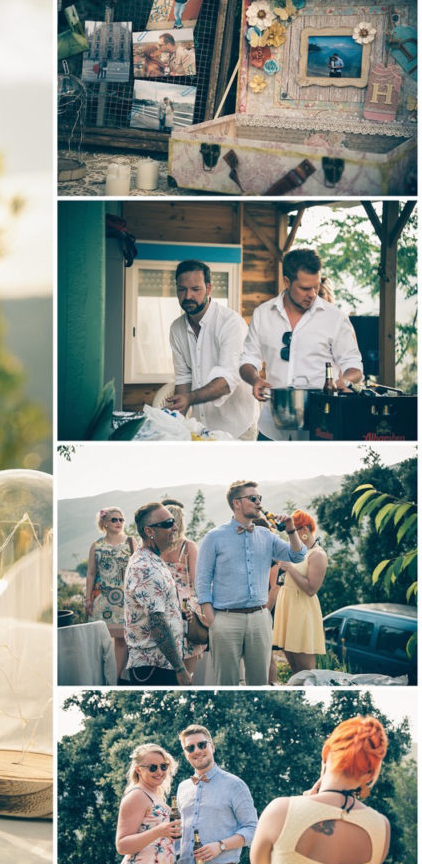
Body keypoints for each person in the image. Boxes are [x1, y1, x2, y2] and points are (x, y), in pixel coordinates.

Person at [251, 716, 390, 864]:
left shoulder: (281, 810)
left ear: (326, 753)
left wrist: (305, 804)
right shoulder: (382, 828)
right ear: (370, 773)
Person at [240, 248, 364, 441]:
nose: (313, 294)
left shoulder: (335, 318)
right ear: (287, 281)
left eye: (315, 286)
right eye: (305, 288)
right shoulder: (262, 314)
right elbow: (248, 359)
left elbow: (354, 365)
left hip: (321, 428)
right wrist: (254, 379)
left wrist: (345, 381)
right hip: (271, 429)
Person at [195, 481, 305, 685]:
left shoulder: (266, 535)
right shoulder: (214, 537)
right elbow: (202, 581)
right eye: (253, 498)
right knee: (226, 682)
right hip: (225, 619)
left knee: (260, 682)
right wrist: (212, 620)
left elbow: (296, 556)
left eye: (259, 498)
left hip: (260, 618)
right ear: (237, 503)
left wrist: (291, 530)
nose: (258, 502)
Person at [176, 724, 258, 864]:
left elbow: (252, 829)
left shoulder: (234, 785)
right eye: (190, 748)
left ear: (212, 747)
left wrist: (220, 846)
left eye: (201, 744)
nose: (197, 751)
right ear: (186, 754)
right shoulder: (182, 787)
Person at [165, 260, 259, 440]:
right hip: (202, 428)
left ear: (208, 289)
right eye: (182, 289)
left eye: (195, 289)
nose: (188, 296)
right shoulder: (176, 329)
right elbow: (184, 378)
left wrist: (190, 398)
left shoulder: (230, 323)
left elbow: (227, 381)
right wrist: (175, 423)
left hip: (238, 428)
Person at [101, 742, 181, 864]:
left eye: (164, 766)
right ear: (138, 769)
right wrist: (159, 831)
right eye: (153, 767)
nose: (159, 771)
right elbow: (122, 845)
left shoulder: (155, 794)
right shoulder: (136, 795)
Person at [122, 503, 193, 686]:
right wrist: (180, 669)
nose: (175, 527)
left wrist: (177, 612)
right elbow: (157, 623)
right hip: (154, 667)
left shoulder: (152, 558)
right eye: (168, 523)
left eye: (174, 522)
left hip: (161, 664)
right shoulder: (145, 567)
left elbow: (156, 609)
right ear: (149, 531)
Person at [272, 510, 327, 676]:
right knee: (294, 668)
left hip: (302, 610)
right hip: (287, 606)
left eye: (293, 529)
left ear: (304, 530)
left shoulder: (318, 554)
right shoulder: (293, 550)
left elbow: (311, 589)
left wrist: (290, 568)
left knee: (305, 671)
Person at [159, 499, 210, 682]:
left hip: (162, 603)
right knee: (188, 665)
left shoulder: (157, 548)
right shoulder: (189, 547)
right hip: (185, 605)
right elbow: (197, 580)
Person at [86, 507, 137, 678]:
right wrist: (88, 599)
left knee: (122, 640)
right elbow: (91, 573)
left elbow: (137, 570)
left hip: (125, 599)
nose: (118, 523)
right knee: (101, 640)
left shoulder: (131, 542)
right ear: (105, 523)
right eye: (114, 519)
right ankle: (100, 676)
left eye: (121, 519)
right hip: (102, 599)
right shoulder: (97, 545)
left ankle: (114, 678)